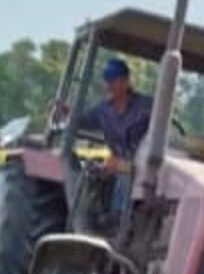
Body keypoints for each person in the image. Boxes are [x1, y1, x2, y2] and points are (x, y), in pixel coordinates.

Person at [53, 57, 153, 213]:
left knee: (125, 177)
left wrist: (128, 164)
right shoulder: (103, 110)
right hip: (116, 167)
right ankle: (97, 219)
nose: (110, 85)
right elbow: (82, 120)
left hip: (143, 168)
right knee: (93, 175)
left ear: (126, 81)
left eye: (114, 80)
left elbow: (162, 132)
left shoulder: (147, 107)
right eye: (108, 80)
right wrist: (67, 112)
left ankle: (119, 220)